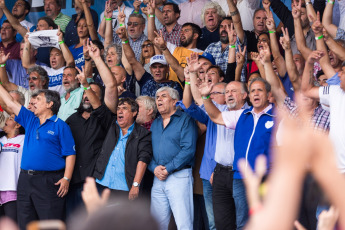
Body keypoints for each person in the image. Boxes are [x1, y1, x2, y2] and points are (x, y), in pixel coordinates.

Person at [199, 77, 275, 229]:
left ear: (268, 94)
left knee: (256, 223)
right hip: (239, 177)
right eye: (253, 90)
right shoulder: (243, 114)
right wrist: (206, 97)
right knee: (234, 223)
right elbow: (216, 117)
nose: (256, 93)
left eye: (260, 90)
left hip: (264, 178)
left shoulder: (278, 116)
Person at [0, 85, 76, 230]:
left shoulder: (60, 126)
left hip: (49, 181)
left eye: (38, 99)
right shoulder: (30, 120)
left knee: (49, 223)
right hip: (25, 180)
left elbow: (70, 153)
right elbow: (9, 102)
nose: (33, 102)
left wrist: (66, 178)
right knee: (25, 222)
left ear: (50, 104)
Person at [65, 44, 118, 214]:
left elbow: (110, 85)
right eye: (85, 93)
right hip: (72, 182)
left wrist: (96, 58)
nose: (87, 95)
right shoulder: (71, 120)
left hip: (97, 182)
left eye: (92, 93)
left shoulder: (104, 117)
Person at [149, 86, 197, 230]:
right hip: (158, 177)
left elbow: (188, 149)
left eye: (163, 96)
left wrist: (167, 169)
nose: (159, 100)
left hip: (179, 176)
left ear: (175, 101)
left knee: (184, 224)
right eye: (157, 98)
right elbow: (148, 150)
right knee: (156, 224)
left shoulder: (185, 120)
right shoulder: (155, 123)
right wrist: (154, 168)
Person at [94, 98, 153, 201]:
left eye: (124, 108)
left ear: (134, 112)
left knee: (120, 217)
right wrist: (86, 86)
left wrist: (135, 185)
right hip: (102, 183)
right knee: (101, 217)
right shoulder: (111, 125)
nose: (120, 111)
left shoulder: (143, 134)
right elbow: (98, 107)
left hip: (124, 188)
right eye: (118, 108)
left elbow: (143, 160)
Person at [118, 27, 183, 98]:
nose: (157, 70)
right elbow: (132, 60)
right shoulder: (146, 80)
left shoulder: (174, 86)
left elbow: (176, 67)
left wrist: (164, 48)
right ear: (150, 69)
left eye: (161, 67)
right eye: (154, 67)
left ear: (167, 69)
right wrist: (124, 40)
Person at [23, 28, 75, 95]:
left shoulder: (66, 70)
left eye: (57, 55)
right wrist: (27, 43)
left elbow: (70, 61)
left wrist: (60, 41)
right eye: (51, 55)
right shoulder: (44, 70)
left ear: (64, 57)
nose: (53, 57)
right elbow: (26, 64)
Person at [0, 113, 25, 222]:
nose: (7, 120)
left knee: (11, 224)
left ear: (18, 125)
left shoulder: (24, 139)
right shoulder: (1, 139)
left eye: (10, 119)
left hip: (12, 188)